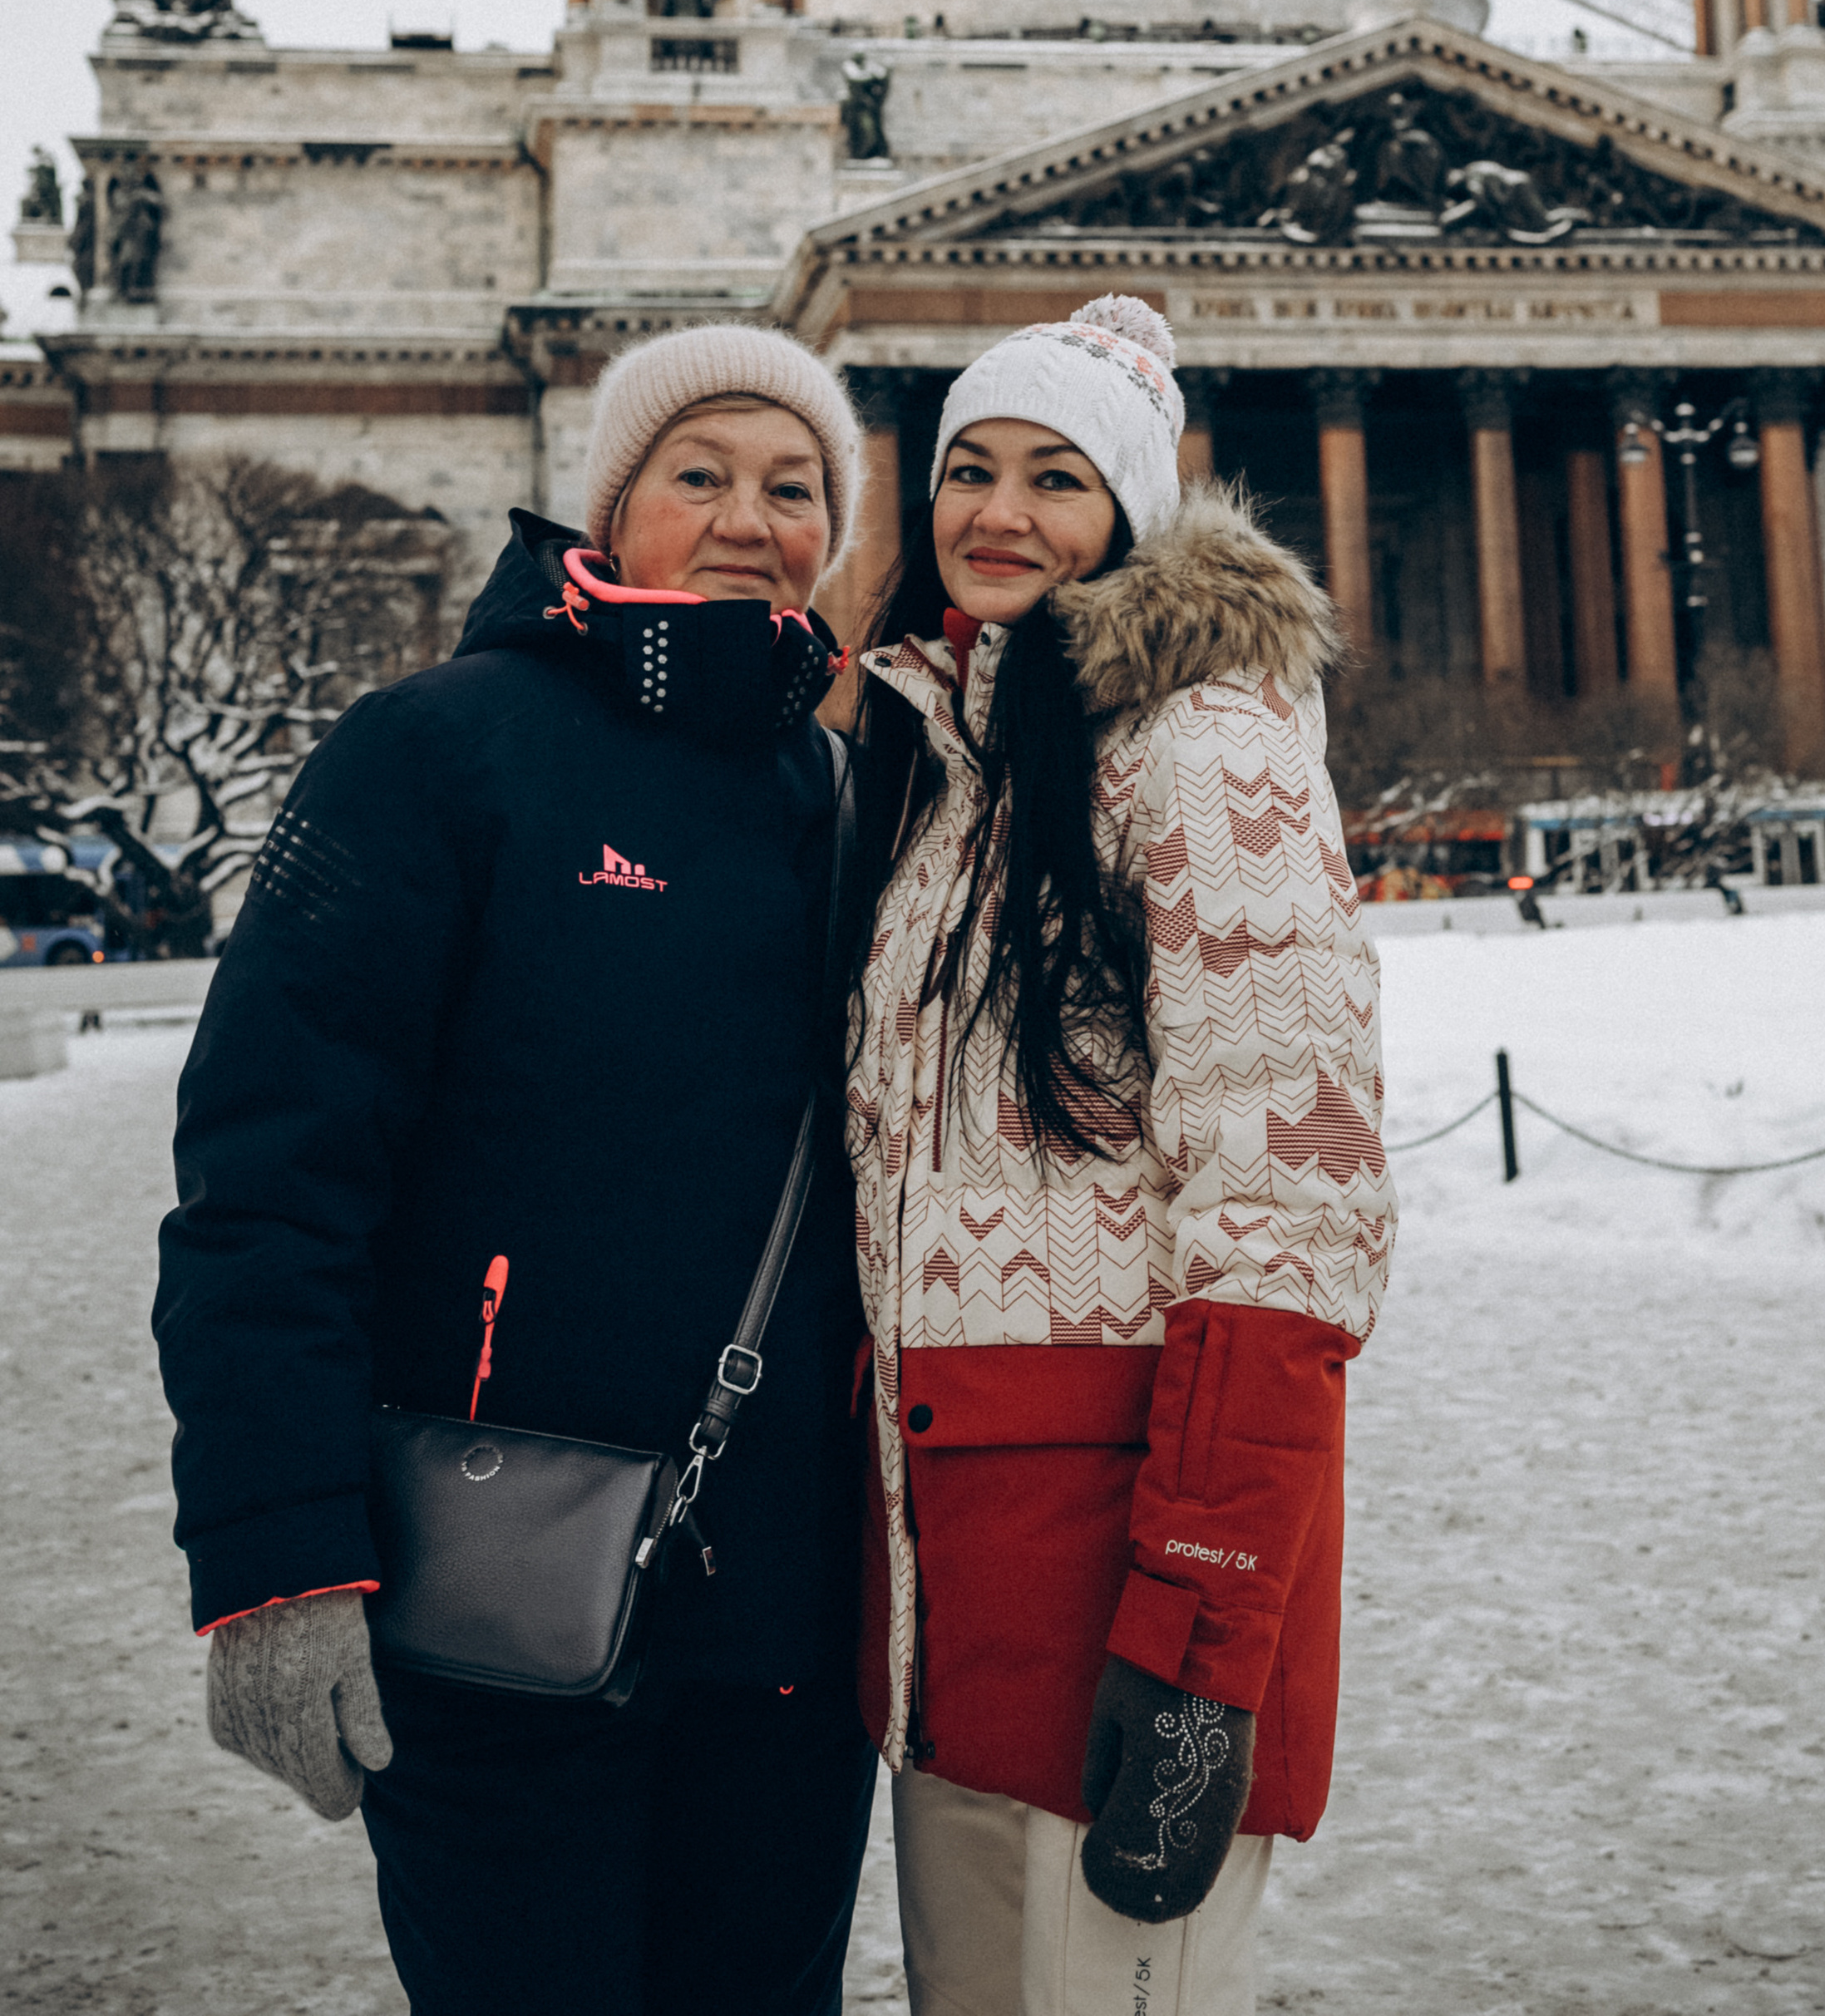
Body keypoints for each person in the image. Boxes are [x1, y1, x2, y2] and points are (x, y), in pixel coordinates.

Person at [154, 325, 878, 2016]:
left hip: (780, 1622)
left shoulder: (846, 794)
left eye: (793, 488)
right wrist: (274, 1563)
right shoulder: (434, 752)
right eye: (698, 475)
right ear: (609, 510)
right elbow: (268, 1180)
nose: (748, 518)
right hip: (496, 1600)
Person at [846, 296, 1397, 2016]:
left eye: (1056, 477)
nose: (996, 513)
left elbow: (1284, 1211)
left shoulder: (1206, 747)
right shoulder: (962, 767)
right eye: (967, 469)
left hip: (1126, 1598)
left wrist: (1201, 1637)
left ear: (1138, 511)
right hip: (953, 1597)